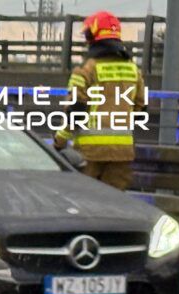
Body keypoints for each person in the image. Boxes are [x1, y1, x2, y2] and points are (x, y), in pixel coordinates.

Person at [53, 11, 146, 190]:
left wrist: (59, 141)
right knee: (114, 207)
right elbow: (140, 108)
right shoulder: (134, 71)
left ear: (93, 36)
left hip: (89, 154)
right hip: (122, 154)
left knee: (86, 203)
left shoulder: (86, 71)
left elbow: (76, 112)